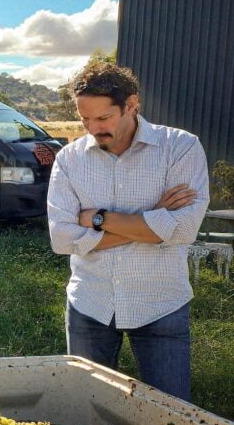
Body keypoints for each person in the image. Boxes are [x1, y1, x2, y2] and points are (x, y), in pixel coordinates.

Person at [47, 62, 209, 401]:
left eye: (103, 118)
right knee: (85, 411)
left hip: (160, 303)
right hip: (90, 303)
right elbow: (62, 239)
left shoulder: (180, 147)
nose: (93, 128)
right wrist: (154, 221)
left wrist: (96, 219)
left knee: (169, 416)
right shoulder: (68, 159)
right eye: (85, 119)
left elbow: (183, 229)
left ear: (131, 105)